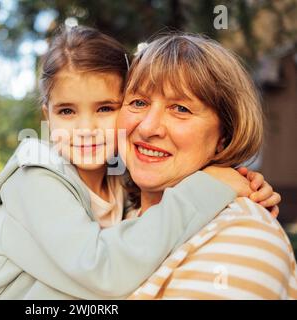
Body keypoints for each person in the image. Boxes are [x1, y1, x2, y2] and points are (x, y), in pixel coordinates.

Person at [0, 27, 280, 300]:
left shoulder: (120, 186)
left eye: (105, 108)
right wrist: (208, 188)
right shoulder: (35, 177)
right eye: (67, 111)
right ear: (47, 117)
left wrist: (234, 182)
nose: (85, 129)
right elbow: (101, 270)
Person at [115, 33, 296, 299]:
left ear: (224, 136)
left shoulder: (243, 235)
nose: (148, 127)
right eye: (139, 102)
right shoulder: (113, 217)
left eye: (180, 108)